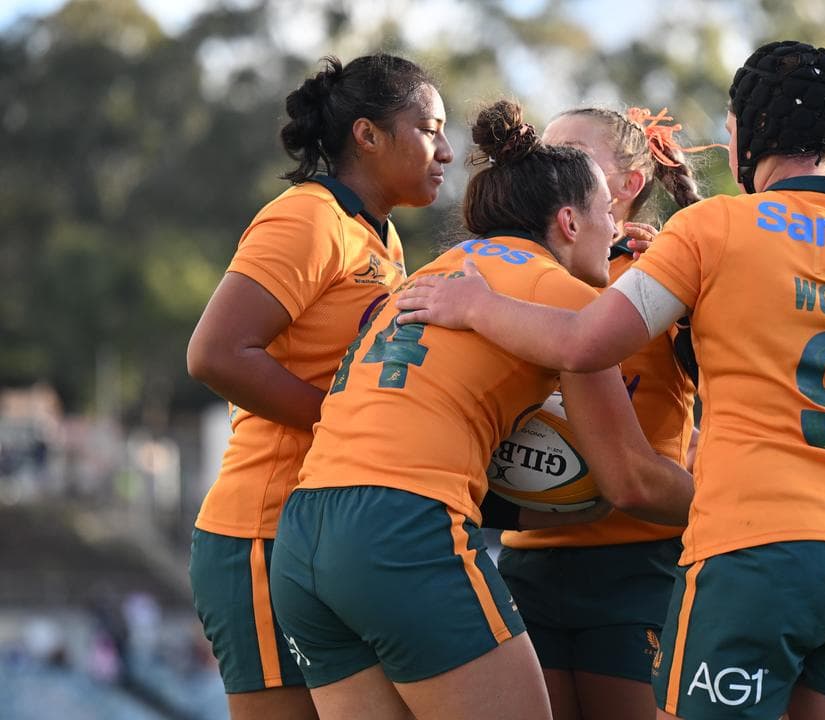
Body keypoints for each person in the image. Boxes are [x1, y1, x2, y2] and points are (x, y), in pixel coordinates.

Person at [395, 41, 825, 720]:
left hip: (754, 554)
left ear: (748, 134)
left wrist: (476, 305)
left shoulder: (714, 227)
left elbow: (585, 343)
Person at [267, 99, 695, 720]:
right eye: (606, 214)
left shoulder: (435, 273)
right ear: (570, 221)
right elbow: (629, 479)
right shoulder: (569, 298)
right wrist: (734, 507)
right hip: (402, 529)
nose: (616, 231)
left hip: (304, 533)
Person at [185, 53, 452, 720]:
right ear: (368, 135)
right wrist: (344, 425)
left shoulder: (382, 238)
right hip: (262, 532)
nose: (447, 151)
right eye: (429, 130)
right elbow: (215, 354)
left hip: (328, 537)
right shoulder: (307, 217)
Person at [496, 106, 713, 720]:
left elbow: (729, 383)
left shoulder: (663, 271)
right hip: (530, 552)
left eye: (573, 154)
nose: (552, 166)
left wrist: (697, 299)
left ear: (629, 184)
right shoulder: (515, 265)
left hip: (638, 561)